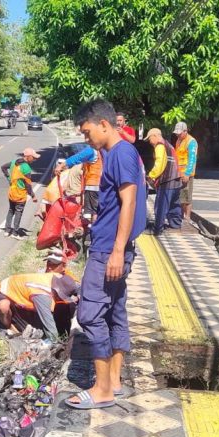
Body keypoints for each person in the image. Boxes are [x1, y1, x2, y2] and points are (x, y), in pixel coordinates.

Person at [66, 99, 146, 410]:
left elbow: (129, 202)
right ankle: (113, 381)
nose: (86, 139)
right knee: (115, 312)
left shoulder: (121, 154)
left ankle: (101, 389)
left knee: (89, 314)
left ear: (104, 124)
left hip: (109, 250)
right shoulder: (116, 153)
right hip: (114, 245)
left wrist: (115, 252)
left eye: (87, 132)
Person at [0, 272, 79, 340]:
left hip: (18, 300)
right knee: (4, 306)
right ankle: (7, 325)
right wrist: (55, 342)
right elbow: (48, 324)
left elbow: (78, 286)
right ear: (57, 291)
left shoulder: (55, 277)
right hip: (0, 293)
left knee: (31, 329)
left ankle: (13, 319)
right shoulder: (42, 295)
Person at [145, 128, 183, 235]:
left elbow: (160, 163)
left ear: (155, 136)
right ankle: (175, 225)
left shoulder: (160, 146)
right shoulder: (169, 145)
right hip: (176, 180)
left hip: (167, 181)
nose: (150, 142)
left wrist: (151, 175)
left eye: (150, 139)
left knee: (161, 205)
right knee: (174, 204)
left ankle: (157, 229)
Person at [1, 148, 39, 239]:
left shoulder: (14, 162)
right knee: (19, 212)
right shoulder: (26, 168)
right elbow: (28, 184)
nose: (34, 159)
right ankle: (15, 233)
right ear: (27, 156)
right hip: (20, 194)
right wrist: (33, 196)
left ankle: (7, 230)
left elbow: (3, 167)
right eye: (33, 157)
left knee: (11, 210)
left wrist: (9, 178)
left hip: (12, 191)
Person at [61, 144, 103, 223]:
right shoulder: (104, 152)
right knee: (97, 211)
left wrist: (62, 165)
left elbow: (77, 158)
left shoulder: (92, 151)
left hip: (92, 185)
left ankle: (93, 229)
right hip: (101, 186)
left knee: (93, 213)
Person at [173, 121, 199, 223]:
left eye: (179, 133)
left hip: (186, 174)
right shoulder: (179, 140)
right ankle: (181, 215)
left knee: (186, 196)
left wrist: (187, 173)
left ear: (185, 131)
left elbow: (192, 159)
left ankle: (187, 217)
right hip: (179, 172)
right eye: (177, 133)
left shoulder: (191, 142)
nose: (177, 134)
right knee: (181, 196)